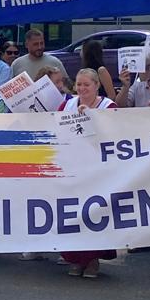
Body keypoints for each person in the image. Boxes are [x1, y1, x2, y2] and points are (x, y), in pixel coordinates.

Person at [61, 68, 118, 277]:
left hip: (97, 168)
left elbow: (115, 133)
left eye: (87, 84)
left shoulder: (108, 106)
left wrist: (91, 118)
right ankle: (75, 259)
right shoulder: (66, 105)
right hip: (72, 167)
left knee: (94, 213)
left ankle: (93, 259)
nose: (82, 88)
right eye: (79, 84)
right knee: (73, 212)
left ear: (97, 85)